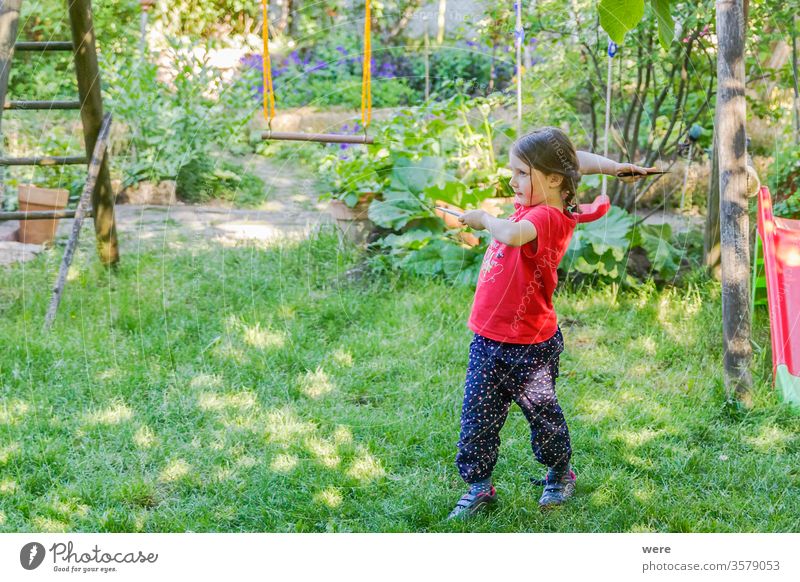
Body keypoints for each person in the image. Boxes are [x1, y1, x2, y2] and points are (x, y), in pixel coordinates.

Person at [447, 127, 654, 519]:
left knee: (544, 420)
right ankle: (478, 486)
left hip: (529, 346)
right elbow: (578, 159)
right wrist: (613, 168)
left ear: (553, 180)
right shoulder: (536, 198)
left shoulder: (548, 217)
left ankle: (560, 473)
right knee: (476, 420)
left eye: (522, 173)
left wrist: (483, 219)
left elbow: (509, 233)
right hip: (487, 340)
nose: (512, 180)